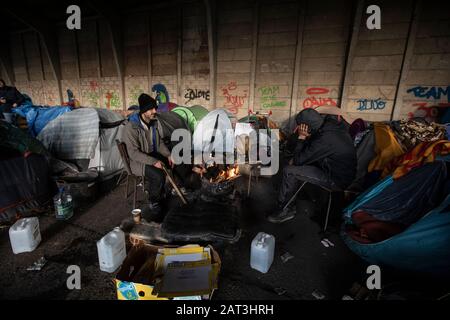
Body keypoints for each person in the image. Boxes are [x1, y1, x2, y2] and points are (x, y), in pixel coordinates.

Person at [268, 108, 357, 223]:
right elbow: (310, 151)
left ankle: (285, 210)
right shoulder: (331, 127)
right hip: (336, 169)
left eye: (301, 126)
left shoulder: (325, 139)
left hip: (336, 179)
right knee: (295, 164)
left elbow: (299, 160)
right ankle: (289, 197)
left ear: (306, 126)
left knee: (289, 170)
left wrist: (301, 138)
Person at [123, 93, 173, 215]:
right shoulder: (131, 127)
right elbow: (133, 153)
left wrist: (168, 155)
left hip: (149, 155)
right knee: (158, 175)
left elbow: (159, 143)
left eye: (155, 108)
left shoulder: (153, 123)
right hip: (136, 161)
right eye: (151, 109)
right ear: (143, 110)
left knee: (170, 163)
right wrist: (154, 162)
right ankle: (153, 201)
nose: (154, 111)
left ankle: (163, 190)